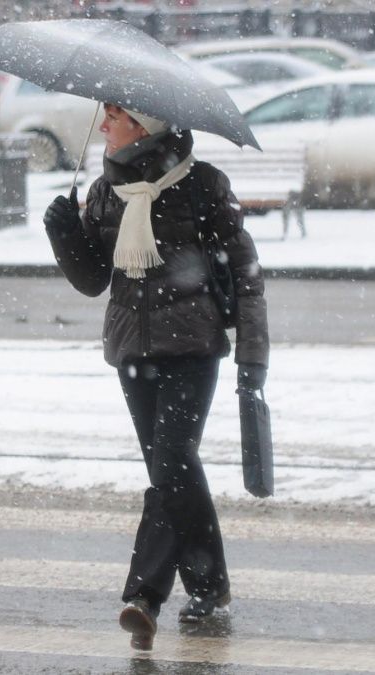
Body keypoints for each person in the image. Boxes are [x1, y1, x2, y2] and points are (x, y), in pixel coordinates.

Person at [42, 104, 269, 651]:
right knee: (175, 473)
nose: (104, 125)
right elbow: (95, 280)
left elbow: (245, 273)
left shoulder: (202, 185)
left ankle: (144, 595)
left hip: (192, 348)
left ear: (144, 126)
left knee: (171, 465)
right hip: (131, 351)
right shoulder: (104, 190)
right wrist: (63, 234)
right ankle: (210, 587)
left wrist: (252, 358)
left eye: (115, 116)